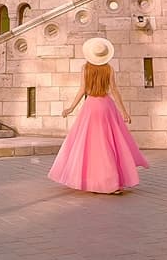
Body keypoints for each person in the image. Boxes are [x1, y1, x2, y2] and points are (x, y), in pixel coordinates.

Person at [49, 37, 148, 195]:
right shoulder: (108, 68)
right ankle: (111, 182)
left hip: (90, 107)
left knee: (89, 145)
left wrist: (71, 108)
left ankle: (93, 180)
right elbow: (114, 90)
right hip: (106, 106)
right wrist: (124, 111)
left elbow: (82, 90)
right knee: (108, 143)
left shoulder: (85, 68)